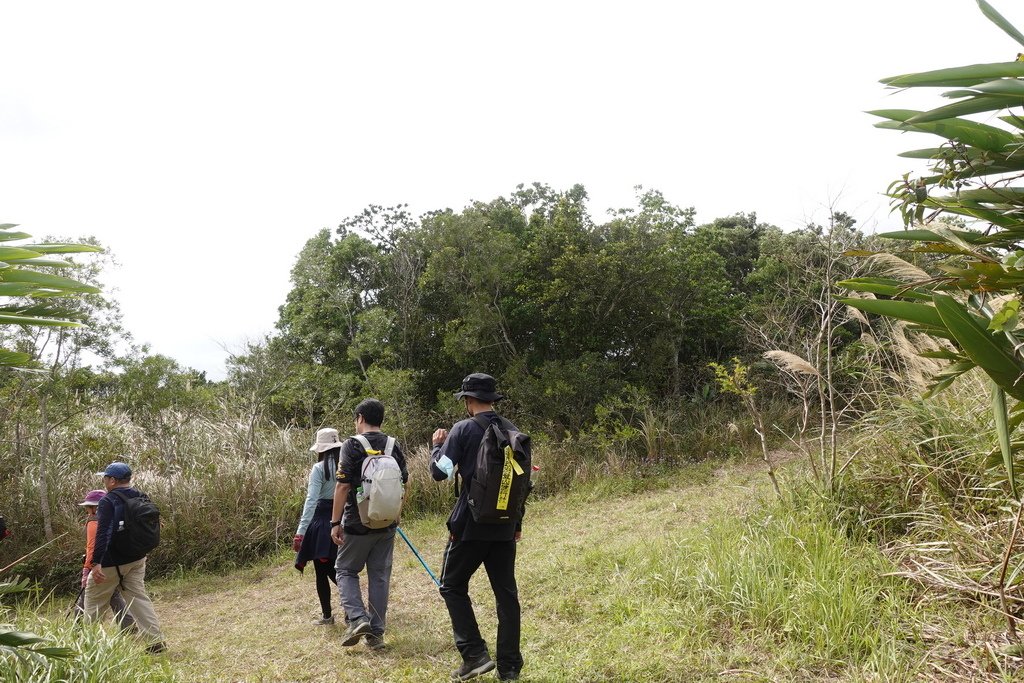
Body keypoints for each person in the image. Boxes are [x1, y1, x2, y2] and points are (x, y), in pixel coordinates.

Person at [430, 373, 526, 682]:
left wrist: (437, 447)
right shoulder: (514, 432)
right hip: (504, 527)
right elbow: (522, 484)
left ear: (469, 401)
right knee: (506, 595)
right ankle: (510, 668)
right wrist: (516, 523)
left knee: (452, 585)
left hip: (470, 527)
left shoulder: (462, 430)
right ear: (493, 400)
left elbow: (439, 473)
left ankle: (474, 654)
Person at [330, 398, 409, 651]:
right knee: (379, 577)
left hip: (357, 522)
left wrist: (334, 522)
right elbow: (404, 484)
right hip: (386, 523)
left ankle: (357, 618)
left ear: (360, 418)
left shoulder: (351, 445)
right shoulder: (393, 445)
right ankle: (376, 636)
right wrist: (396, 515)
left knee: (345, 570)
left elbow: (342, 486)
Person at [83, 461, 166, 653]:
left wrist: (96, 563)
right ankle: (155, 642)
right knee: (138, 598)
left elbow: (103, 533)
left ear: (112, 480)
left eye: (105, 477)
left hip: (111, 562)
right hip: (137, 558)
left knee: (94, 601)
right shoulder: (141, 495)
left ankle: (88, 649)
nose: (104, 481)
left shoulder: (108, 501)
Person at [294, 427, 341, 625]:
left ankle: (339, 613)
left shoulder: (319, 468)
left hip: (321, 523)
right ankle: (340, 612)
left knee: (326, 571)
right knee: (334, 569)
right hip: (343, 520)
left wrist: (301, 532)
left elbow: (311, 500)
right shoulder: (346, 465)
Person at [74, 489, 135, 631]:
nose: (87, 511)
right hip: (118, 562)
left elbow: (91, 548)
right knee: (114, 595)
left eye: (88, 507)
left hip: (98, 565)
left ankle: (77, 629)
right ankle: (129, 625)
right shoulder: (116, 519)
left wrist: (86, 569)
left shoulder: (93, 523)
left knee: (86, 595)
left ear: (95, 508)